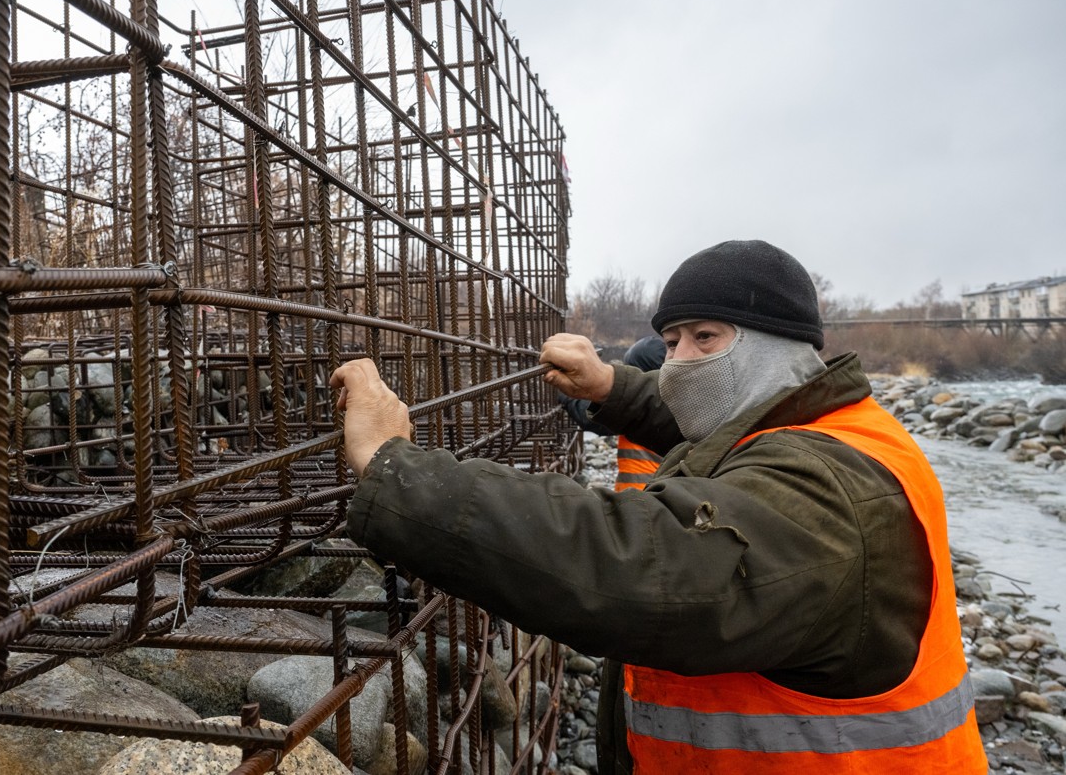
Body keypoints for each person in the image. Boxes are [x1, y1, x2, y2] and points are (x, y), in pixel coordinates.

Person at [330, 239, 985, 774]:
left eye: (704, 337)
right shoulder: (817, 422)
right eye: (669, 342)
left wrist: (396, 467)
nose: (677, 363)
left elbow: (637, 568)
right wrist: (611, 386)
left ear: (781, 345)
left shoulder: (823, 485)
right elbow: (718, 425)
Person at [562, 335, 666, 491]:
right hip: (645, 495)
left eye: (632, 372)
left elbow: (592, 420)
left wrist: (566, 396)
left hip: (643, 496)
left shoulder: (640, 406)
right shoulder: (669, 403)